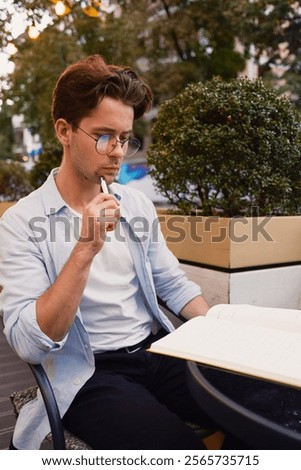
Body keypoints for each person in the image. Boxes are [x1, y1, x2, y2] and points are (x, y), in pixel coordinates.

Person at [0, 55, 215, 450]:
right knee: (181, 450)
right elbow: (29, 343)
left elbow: (171, 281)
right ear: (64, 130)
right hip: (88, 372)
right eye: (103, 136)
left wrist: (222, 333)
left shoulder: (135, 205)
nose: (118, 151)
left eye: (124, 138)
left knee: (265, 405)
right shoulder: (20, 222)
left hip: (157, 352)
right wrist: (85, 248)